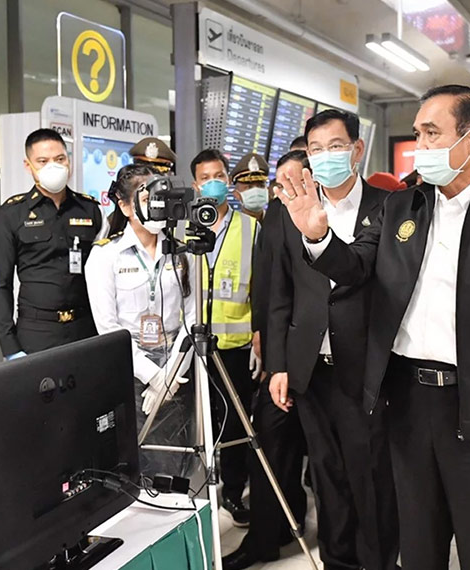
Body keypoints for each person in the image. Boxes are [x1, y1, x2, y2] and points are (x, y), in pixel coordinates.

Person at [279, 84, 470, 570]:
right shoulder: (401, 208)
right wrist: (318, 236)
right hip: (408, 404)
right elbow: (354, 268)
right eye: (417, 134)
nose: (421, 146)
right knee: (419, 546)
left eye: (432, 133)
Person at [266, 109, 400, 570]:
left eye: (335, 147)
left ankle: (378, 561)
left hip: (365, 370)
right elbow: (279, 292)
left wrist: (319, 234)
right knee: (327, 478)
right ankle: (338, 562)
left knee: (372, 478)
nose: (325, 158)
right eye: (315, 149)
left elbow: (359, 270)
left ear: (357, 150)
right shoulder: (287, 209)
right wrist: (278, 363)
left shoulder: (389, 207)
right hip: (310, 370)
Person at [223, 150, 310, 570]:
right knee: (270, 447)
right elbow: (267, 281)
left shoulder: (337, 209)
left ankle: (348, 546)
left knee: (330, 461)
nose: (283, 188)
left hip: (331, 361)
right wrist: (266, 343)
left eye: (293, 179)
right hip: (282, 356)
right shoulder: (274, 215)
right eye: (280, 182)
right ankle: (264, 538)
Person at [85, 164, 195, 477]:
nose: (157, 206)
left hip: (177, 367)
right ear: (124, 205)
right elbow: (108, 328)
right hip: (129, 369)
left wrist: (171, 375)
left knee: (177, 462)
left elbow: (192, 317)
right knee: (137, 462)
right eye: (148, 198)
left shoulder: (181, 251)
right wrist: (153, 377)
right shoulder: (106, 256)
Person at [0, 128, 104, 358]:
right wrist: (10, 345)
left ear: (69, 161)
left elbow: (102, 272)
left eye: (60, 159)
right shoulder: (12, 213)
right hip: (36, 331)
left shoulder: (89, 209)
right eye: (42, 161)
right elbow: (0, 284)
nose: (53, 166)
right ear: (28, 165)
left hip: (85, 327)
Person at [191, 149, 259, 527]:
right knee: (199, 423)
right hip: (193, 347)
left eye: (219, 175)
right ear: (196, 183)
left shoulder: (250, 228)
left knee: (235, 424)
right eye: (206, 176)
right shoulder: (182, 228)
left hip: (236, 347)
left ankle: (233, 492)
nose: (213, 182)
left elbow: (262, 289)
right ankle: (199, 494)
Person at [230, 153, 271, 222]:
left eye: (261, 186)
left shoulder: (280, 223)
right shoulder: (230, 226)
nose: (256, 191)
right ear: (236, 195)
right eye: (249, 187)